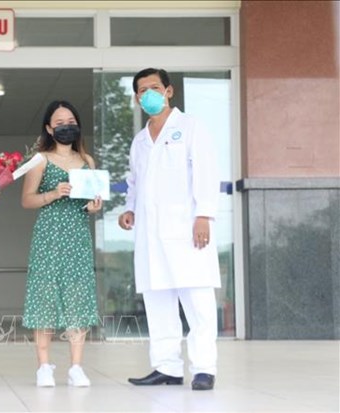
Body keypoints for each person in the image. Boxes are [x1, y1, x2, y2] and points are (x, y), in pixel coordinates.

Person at [118, 68, 221, 391]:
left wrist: (203, 214)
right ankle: (167, 367)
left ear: (169, 91)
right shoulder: (139, 140)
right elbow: (135, 182)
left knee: (197, 300)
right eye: (141, 90)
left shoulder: (190, 128)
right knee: (158, 299)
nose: (148, 94)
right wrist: (129, 209)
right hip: (150, 234)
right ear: (136, 98)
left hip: (187, 229)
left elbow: (206, 172)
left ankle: (204, 368)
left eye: (154, 87)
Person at [21, 100, 103, 387]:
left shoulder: (87, 161)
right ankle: (44, 366)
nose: (66, 126)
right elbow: (27, 199)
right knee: (44, 297)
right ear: (48, 128)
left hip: (77, 237)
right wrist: (53, 194)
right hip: (48, 236)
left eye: (70, 121)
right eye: (59, 122)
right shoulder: (40, 159)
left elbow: (91, 203)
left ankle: (76, 366)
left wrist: (93, 207)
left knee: (78, 298)